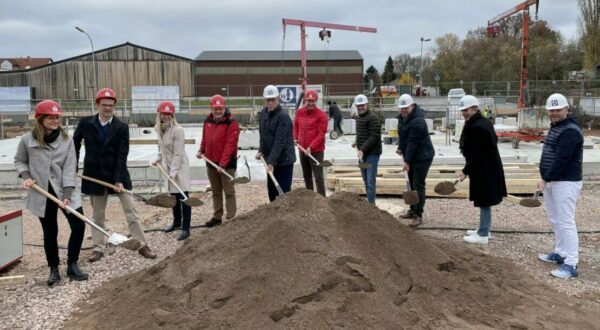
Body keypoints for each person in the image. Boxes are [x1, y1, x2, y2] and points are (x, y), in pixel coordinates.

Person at [74, 88, 156, 262]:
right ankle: (98, 248)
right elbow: (74, 145)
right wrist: (72, 167)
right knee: (97, 215)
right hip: (94, 175)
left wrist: (118, 179)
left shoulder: (121, 127)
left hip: (117, 175)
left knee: (131, 212)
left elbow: (122, 155)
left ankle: (142, 244)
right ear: (97, 105)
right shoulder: (85, 123)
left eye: (110, 105)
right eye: (104, 105)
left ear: (114, 106)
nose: (107, 108)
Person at [14, 100, 88, 285]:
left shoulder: (67, 140)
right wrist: (26, 176)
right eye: (51, 117)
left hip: (64, 189)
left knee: (78, 225)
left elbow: (70, 168)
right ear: (40, 119)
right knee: (50, 231)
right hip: (41, 192)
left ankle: (72, 264)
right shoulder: (27, 140)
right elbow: (20, 160)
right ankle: (53, 269)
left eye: (57, 117)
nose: (55, 121)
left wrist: (67, 195)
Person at [537, 93, 584, 278]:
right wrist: (546, 178)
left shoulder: (570, 131)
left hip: (566, 182)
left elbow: (562, 159)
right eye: (551, 110)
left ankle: (571, 263)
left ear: (566, 109)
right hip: (553, 180)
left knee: (566, 221)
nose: (554, 113)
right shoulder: (557, 127)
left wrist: (545, 178)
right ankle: (561, 252)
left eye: (558, 110)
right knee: (556, 219)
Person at [458, 95, 507, 244]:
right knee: (484, 198)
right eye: (463, 110)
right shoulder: (481, 122)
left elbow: (477, 154)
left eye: (466, 110)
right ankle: (484, 228)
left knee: (484, 199)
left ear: (474, 108)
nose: (464, 113)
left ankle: (483, 234)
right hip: (487, 167)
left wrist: (465, 171)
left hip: (484, 168)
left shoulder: (477, 127)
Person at [197, 94, 240, 226]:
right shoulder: (207, 121)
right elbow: (205, 138)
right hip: (211, 162)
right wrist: (201, 150)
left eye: (220, 108)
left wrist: (222, 164)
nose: (217, 111)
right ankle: (217, 216)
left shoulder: (231, 123)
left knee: (229, 191)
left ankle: (231, 217)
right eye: (215, 108)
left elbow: (230, 145)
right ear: (211, 108)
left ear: (224, 107)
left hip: (227, 164)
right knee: (216, 192)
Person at [152, 101, 192, 241]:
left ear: (172, 115)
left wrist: (173, 173)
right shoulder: (158, 129)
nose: (166, 116)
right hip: (167, 165)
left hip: (179, 166)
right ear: (160, 114)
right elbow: (161, 148)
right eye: (164, 113)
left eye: (169, 114)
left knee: (183, 196)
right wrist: (158, 159)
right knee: (173, 197)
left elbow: (178, 154)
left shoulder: (178, 130)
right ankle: (176, 222)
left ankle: (186, 228)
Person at [395, 94, 435, 227]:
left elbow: (413, 143)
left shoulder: (418, 121)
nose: (403, 110)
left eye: (406, 108)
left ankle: (418, 214)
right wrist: (401, 147)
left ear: (412, 105)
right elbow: (403, 136)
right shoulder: (402, 118)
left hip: (423, 157)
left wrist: (406, 162)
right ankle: (412, 210)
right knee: (411, 184)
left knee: (418, 185)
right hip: (411, 155)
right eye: (401, 108)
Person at [256, 85, 296, 202]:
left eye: (273, 99)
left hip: (284, 160)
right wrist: (261, 150)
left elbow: (280, 142)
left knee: (283, 192)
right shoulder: (263, 113)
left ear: (278, 99)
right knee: (272, 192)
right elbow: (263, 135)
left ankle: (285, 218)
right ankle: (274, 219)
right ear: (265, 100)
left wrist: (271, 162)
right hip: (271, 159)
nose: (271, 103)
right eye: (268, 100)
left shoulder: (283, 117)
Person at [294, 90, 328, 196]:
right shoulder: (299, 112)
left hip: (316, 151)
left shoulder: (321, 115)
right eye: (308, 100)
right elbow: (295, 125)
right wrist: (295, 138)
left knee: (318, 177)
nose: (310, 103)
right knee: (307, 176)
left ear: (316, 101)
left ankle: (322, 200)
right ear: (305, 100)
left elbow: (321, 135)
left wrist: (311, 147)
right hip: (302, 149)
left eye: (313, 101)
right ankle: (310, 199)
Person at [352, 94, 382, 204]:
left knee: (370, 180)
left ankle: (371, 205)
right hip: (362, 155)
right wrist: (356, 142)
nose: (360, 107)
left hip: (372, 154)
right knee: (365, 179)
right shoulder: (359, 117)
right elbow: (361, 133)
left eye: (362, 105)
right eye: (358, 105)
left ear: (367, 104)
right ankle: (369, 204)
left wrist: (362, 149)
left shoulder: (373, 118)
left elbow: (374, 137)